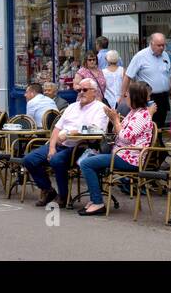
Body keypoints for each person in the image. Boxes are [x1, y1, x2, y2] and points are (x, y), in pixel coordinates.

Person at [21, 77, 109, 207]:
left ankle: (63, 196)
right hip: (59, 144)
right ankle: (48, 190)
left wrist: (68, 135)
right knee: (29, 159)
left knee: (56, 160)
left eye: (85, 90)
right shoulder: (72, 106)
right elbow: (57, 128)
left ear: (94, 92)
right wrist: (51, 147)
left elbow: (95, 132)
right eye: (79, 90)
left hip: (81, 146)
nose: (81, 93)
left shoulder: (100, 108)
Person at [78, 80, 156, 216]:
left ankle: (97, 202)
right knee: (90, 160)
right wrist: (113, 119)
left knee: (86, 163)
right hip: (121, 154)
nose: (125, 98)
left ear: (134, 98)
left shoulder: (142, 116)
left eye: (127, 96)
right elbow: (117, 132)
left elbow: (125, 137)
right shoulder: (133, 113)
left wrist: (116, 120)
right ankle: (94, 198)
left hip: (130, 158)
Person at [123, 32, 171, 130]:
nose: (161, 48)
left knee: (160, 124)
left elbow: (170, 76)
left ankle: (157, 142)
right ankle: (148, 143)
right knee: (148, 124)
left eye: (163, 45)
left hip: (163, 96)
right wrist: (123, 95)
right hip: (147, 97)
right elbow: (128, 76)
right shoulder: (140, 56)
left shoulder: (165, 55)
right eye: (159, 45)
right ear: (151, 44)